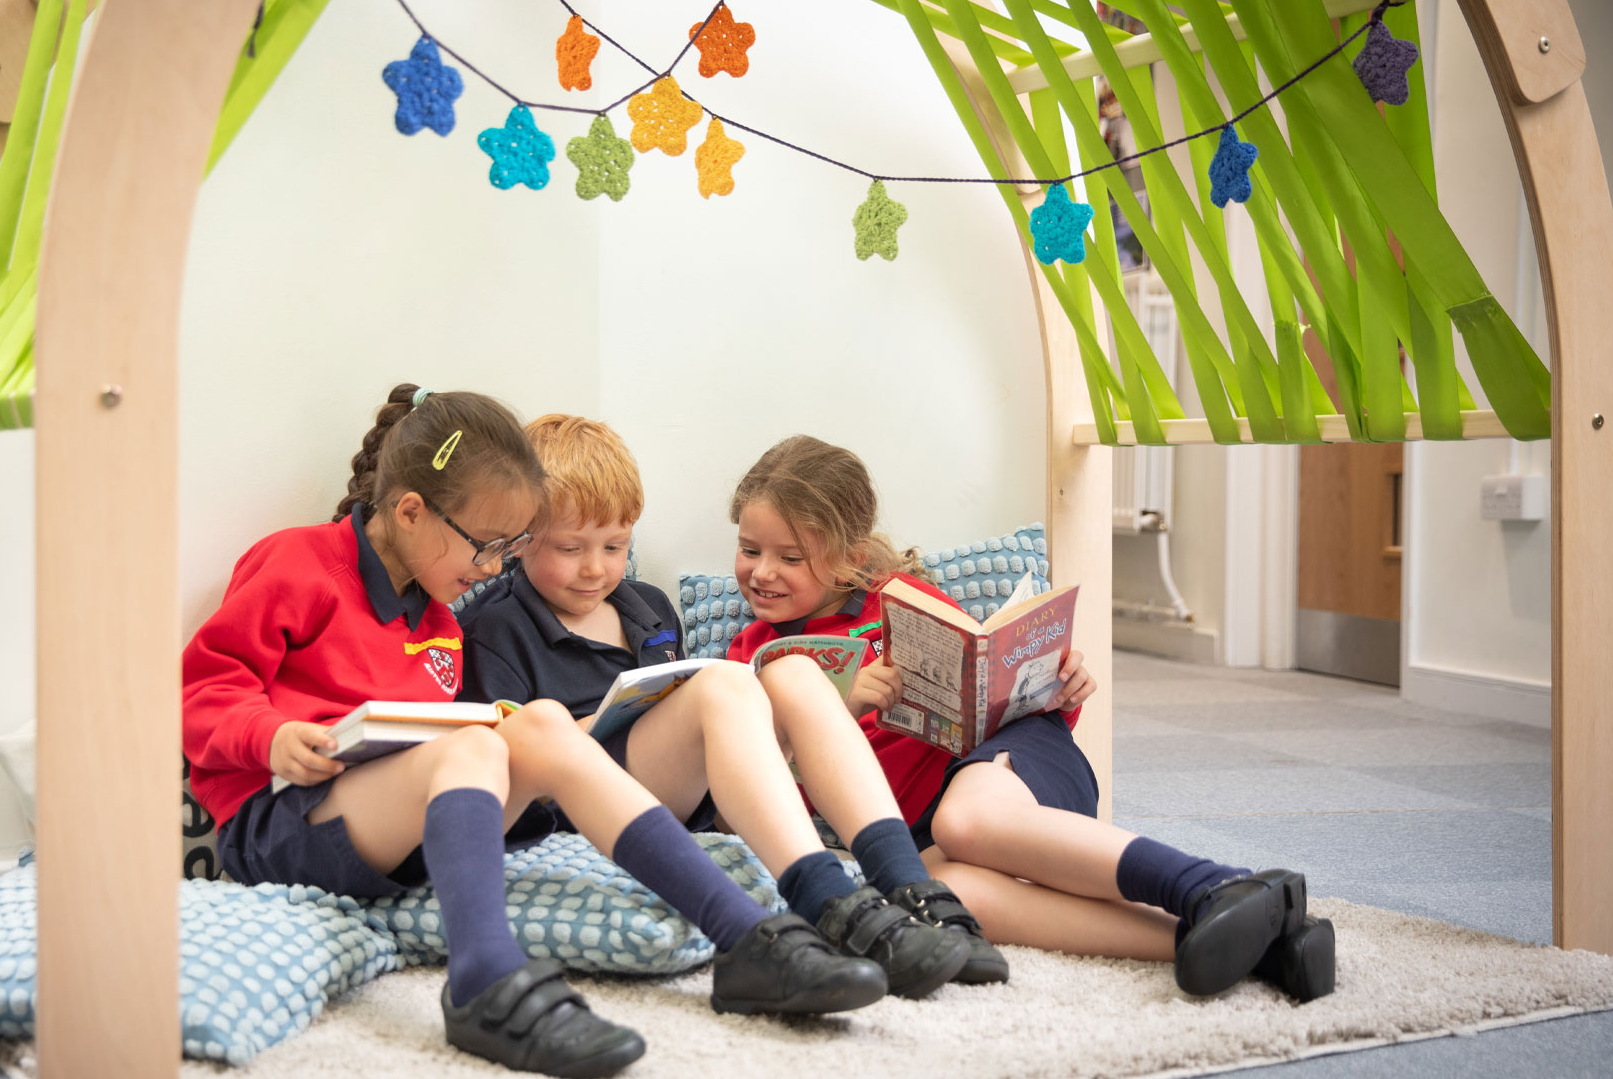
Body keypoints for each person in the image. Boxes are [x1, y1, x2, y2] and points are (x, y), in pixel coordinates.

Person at [182, 390, 889, 1079]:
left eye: (507, 549)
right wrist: (271, 737)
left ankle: (743, 937)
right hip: (282, 819)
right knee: (473, 744)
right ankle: (483, 981)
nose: (491, 569)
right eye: (485, 547)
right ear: (409, 512)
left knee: (540, 723)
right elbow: (202, 688)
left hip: (387, 821)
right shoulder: (297, 563)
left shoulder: (437, 621)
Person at [720, 435, 1335, 1002]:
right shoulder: (750, 654)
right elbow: (755, 789)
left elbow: (988, 683)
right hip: (913, 835)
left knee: (967, 820)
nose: (762, 572)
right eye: (750, 550)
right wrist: (844, 706)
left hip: (1007, 764)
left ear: (849, 557)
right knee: (942, 898)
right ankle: (1253, 943)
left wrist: (1060, 688)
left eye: (790, 557)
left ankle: (1210, 884)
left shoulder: (899, 601)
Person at [458, 414, 1007, 999]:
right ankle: (827, 902)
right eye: (571, 548)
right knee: (725, 683)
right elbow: (510, 758)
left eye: (616, 546)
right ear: (521, 541)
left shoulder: (645, 606)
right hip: (578, 800)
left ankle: (910, 890)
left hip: (684, 795)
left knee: (792, 672)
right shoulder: (496, 628)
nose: (596, 567)